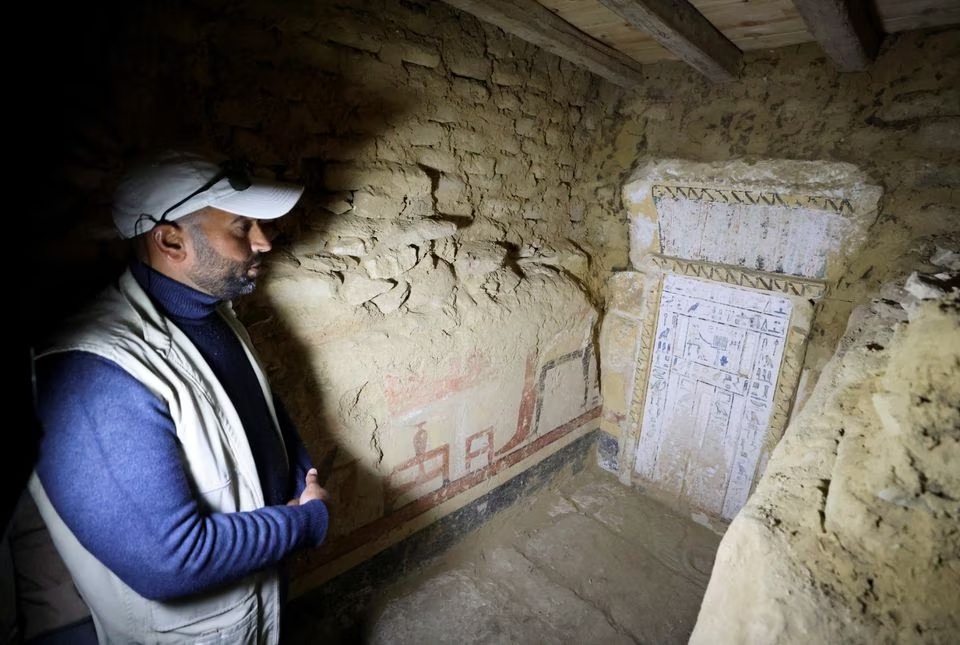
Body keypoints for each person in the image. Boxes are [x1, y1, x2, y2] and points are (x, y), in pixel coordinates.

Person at [17, 149, 330, 644]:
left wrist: (301, 470)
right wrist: (304, 522)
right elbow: (170, 562)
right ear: (169, 239)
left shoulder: (213, 314)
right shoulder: (94, 374)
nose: (264, 242)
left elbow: (257, 413)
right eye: (241, 226)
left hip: (257, 601)